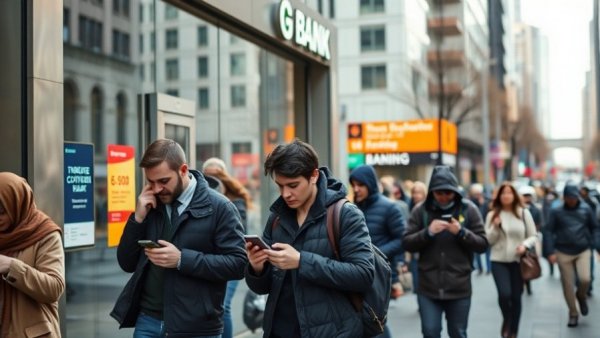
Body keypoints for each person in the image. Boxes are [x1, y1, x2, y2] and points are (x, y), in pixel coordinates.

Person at [111, 139, 247, 337]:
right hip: (148, 321)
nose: (157, 189)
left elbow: (238, 264)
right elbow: (126, 263)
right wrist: (137, 218)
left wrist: (182, 259)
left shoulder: (220, 207)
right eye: (151, 182)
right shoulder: (149, 206)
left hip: (196, 327)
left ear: (183, 170)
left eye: (164, 181)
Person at [244, 139, 375, 337]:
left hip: (330, 331)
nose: (286, 194)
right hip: (279, 330)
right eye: (280, 186)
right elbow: (263, 288)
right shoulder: (277, 217)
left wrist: (301, 261)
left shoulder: (345, 214)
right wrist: (257, 268)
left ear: (314, 175)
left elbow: (363, 275)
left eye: (293, 185)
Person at [403, 165, 488, 338]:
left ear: (455, 192)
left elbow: (482, 244)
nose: (443, 197)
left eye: (447, 193)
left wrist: (462, 232)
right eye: (438, 193)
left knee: (457, 333)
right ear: (432, 192)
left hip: (459, 287)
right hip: (428, 287)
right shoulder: (421, 210)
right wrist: (428, 232)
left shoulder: (468, 209)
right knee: (430, 332)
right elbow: (407, 242)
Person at [0, 172, 65, 338]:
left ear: (17, 204)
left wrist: (11, 266)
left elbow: (54, 288)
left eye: (2, 211)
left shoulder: (45, 234)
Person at [350, 165, 406, 337]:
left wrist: (376, 254)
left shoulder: (390, 207)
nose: (356, 189)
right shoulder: (352, 208)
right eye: (353, 185)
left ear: (370, 184)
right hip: (357, 273)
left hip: (379, 275)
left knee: (375, 320)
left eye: (361, 185)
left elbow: (402, 239)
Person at [202, 157, 253, 338]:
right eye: (208, 176)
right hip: (209, 260)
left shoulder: (236, 201)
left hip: (230, 258)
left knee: (224, 305)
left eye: (217, 175)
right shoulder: (200, 198)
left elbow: (239, 234)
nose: (212, 181)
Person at [485, 182, 538, 338]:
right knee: (504, 294)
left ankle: (513, 330)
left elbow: (533, 235)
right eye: (503, 193)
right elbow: (488, 240)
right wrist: (495, 227)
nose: (506, 196)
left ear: (514, 195)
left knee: (516, 297)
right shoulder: (491, 215)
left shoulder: (523, 213)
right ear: (499, 196)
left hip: (518, 261)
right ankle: (507, 320)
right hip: (498, 260)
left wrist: (525, 245)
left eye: (509, 193)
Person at [543, 184, 600, 328]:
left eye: (574, 197)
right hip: (563, 251)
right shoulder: (556, 211)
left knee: (585, 279)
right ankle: (573, 313)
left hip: (583, 249)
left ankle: (581, 296)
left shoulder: (586, 209)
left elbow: (595, 228)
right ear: (565, 197)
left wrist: (596, 245)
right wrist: (549, 252)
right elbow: (548, 231)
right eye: (569, 198)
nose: (572, 200)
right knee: (568, 285)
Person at [518, 185, 544, 295]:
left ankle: (528, 283)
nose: (527, 198)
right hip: (518, 240)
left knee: (529, 261)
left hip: (531, 239)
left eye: (528, 196)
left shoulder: (535, 210)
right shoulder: (517, 209)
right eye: (525, 196)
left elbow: (539, 224)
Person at [468, 183, 491, 275]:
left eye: (478, 194)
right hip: (475, 230)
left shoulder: (486, 202)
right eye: (475, 194)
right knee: (477, 251)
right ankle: (480, 268)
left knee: (488, 251)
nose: (477, 196)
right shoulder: (471, 203)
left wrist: (483, 204)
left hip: (486, 229)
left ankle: (489, 268)